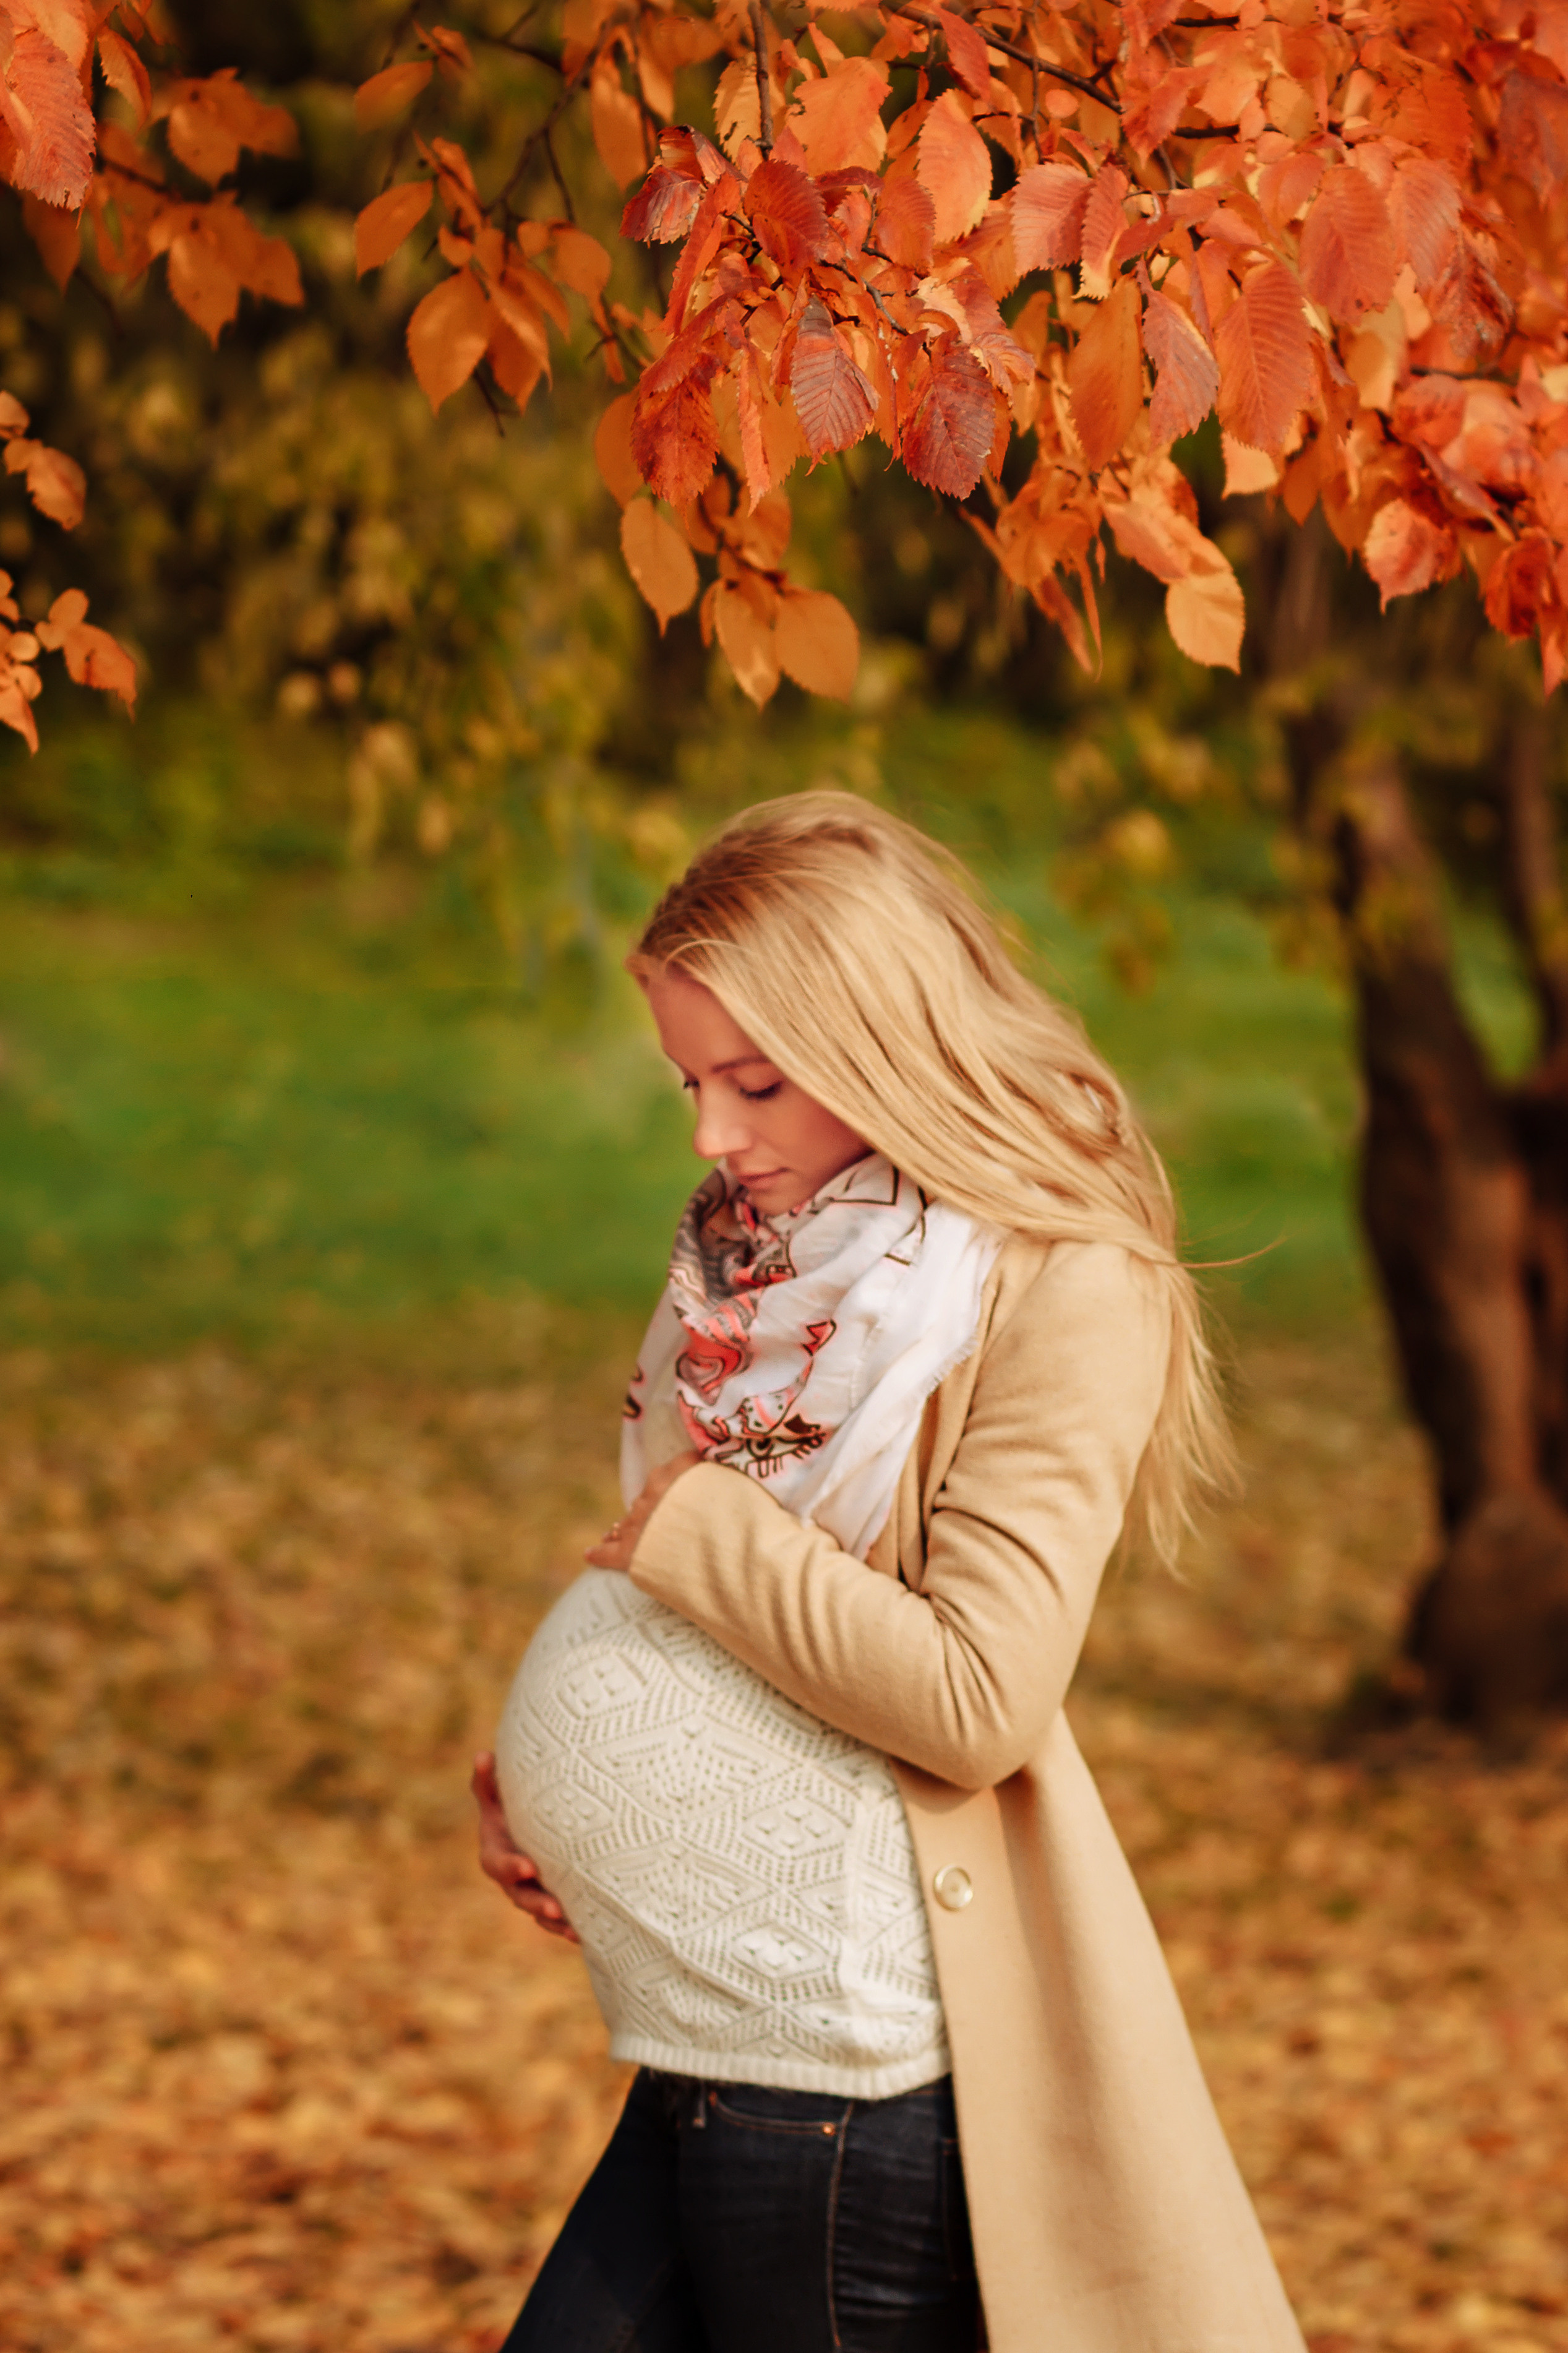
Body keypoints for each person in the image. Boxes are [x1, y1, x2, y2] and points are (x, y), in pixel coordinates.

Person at [471, 793, 1306, 2353]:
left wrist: (698, 1534)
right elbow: (706, 1601)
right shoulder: (760, 1264)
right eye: (688, 1084)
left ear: (882, 1040)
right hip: (719, 2035)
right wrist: (561, 1791)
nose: (711, 1137)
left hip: (843, 2076)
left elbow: (975, 1695)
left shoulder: (1062, 1282)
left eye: (754, 1083)